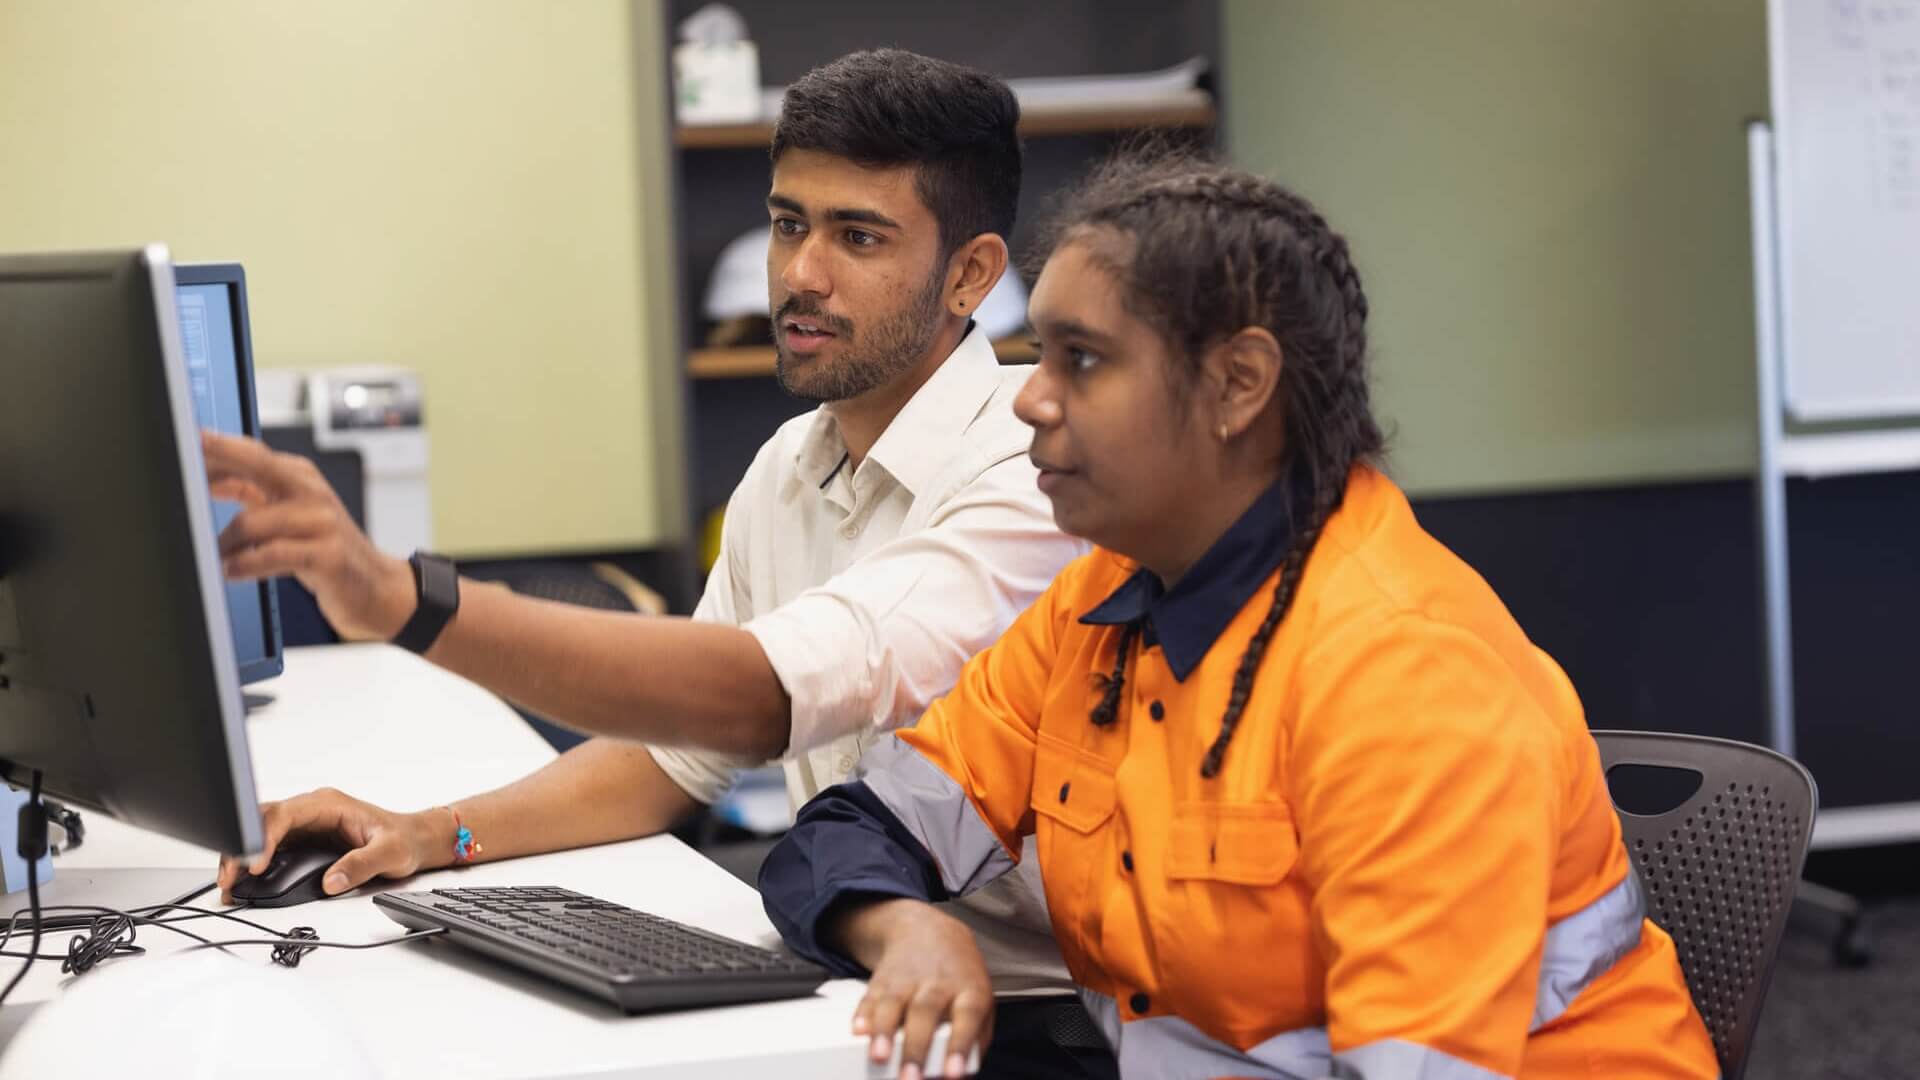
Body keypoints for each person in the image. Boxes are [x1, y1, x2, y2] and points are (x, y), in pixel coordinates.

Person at [205, 49, 1118, 1077]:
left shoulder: (1033, 473)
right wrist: (424, 835)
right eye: (787, 224)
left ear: (971, 275)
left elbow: (751, 700)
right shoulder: (793, 462)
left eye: (857, 236)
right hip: (859, 986)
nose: (800, 274)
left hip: (1027, 1027)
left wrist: (402, 601)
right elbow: (676, 753)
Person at [757, 150, 1722, 1080]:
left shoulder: (1408, 674)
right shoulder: (1101, 601)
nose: (1030, 401)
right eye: (1038, 355)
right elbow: (850, 832)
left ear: (1238, 386)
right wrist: (907, 928)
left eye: (1082, 361)